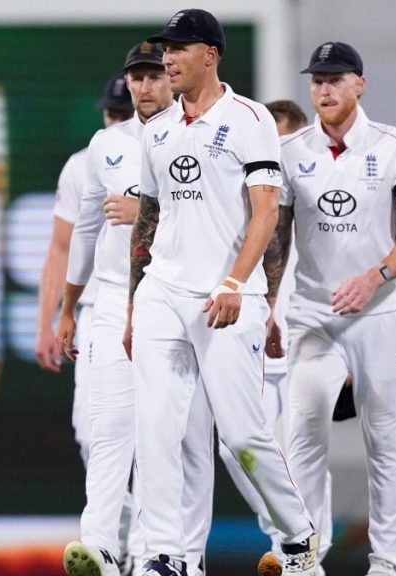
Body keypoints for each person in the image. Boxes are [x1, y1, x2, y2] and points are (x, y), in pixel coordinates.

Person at [126, 9, 318, 576]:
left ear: (210, 54)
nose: (167, 59)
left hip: (228, 297)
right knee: (156, 424)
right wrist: (137, 301)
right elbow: (149, 220)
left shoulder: (250, 119)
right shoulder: (156, 129)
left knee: (243, 436)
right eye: (165, 49)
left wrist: (235, 282)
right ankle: (166, 554)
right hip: (164, 290)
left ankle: (298, 537)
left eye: (178, 49)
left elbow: (266, 213)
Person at [269, 42, 396, 576]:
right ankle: (305, 558)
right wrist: (269, 305)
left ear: (360, 84)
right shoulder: (291, 151)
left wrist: (375, 277)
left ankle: (386, 562)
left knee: (385, 438)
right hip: (314, 313)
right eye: (317, 80)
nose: (324, 89)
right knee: (304, 425)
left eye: (336, 79)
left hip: (380, 314)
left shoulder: (393, 145)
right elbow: (276, 238)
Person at [57, 41, 214, 576]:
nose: (144, 86)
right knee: (109, 428)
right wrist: (67, 306)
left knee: (164, 434)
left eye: (153, 75)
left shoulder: (197, 136)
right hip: (110, 300)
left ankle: (158, 553)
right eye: (136, 78)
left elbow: (211, 217)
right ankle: (99, 545)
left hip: (171, 303)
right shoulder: (105, 144)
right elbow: (85, 229)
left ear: (172, 77)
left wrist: (146, 209)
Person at [35, 74, 134, 466]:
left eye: (123, 114)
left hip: (158, 303)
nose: (116, 122)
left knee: (155, 432)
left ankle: (147, 528)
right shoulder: (83, 165)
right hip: (98, 307)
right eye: (112, 113)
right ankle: (121, 522)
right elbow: (61, 248)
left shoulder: (163, 153)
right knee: (90, 431)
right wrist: (48, 321)